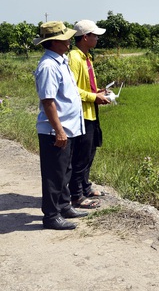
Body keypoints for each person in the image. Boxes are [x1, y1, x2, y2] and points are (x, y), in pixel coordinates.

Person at [33, 21, 88, 230]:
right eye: (65, 38)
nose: (69, 41)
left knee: (65, 170)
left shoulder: (61, 61)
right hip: (56, 131)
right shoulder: (48, 66)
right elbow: (48, 102)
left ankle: (64, 206)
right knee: (54, 175)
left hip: (68, 129)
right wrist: (59, 130)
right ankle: (51, 216)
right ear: (55, 42)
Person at [68, 19, 110, 209]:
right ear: (85, 37)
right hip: (81, 114)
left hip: (91, 112)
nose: (97, 38)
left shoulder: (87, 57)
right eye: (95, 35)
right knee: (81, 156)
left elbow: (86, 86)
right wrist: (94, 97)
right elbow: (73, 90)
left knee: (90, 152)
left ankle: (85, 187)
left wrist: (99, 92)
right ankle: (76, 196)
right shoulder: (74, 58)